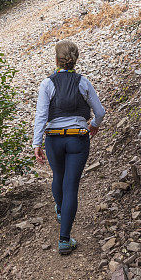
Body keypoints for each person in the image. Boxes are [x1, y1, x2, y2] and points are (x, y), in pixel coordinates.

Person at [32, 40, 105, 255]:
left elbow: (41, 116)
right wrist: (93, 125)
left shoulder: (47, 84)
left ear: (56, 59)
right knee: (71, 185)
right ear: (75, 60)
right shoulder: (83, 82)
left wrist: (37, 143)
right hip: (77, 139)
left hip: (54, 139)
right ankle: (64, 239)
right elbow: (99, 112)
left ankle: (61, 210)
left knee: (58, 176)